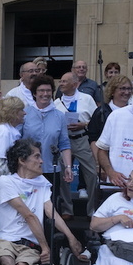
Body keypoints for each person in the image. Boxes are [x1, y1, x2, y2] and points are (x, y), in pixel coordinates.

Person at [20, 76, 72, 215]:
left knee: (50, 209)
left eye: (48, 90)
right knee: (29, 207)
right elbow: (17, 141)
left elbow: (64, 144)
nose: (45, 94)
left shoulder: (59, 116)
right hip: (27, 170)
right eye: (41, 90)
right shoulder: (25, 113)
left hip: (50, 169)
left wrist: (68, 167)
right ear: (35, 93)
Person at [55, 71, 99, 215]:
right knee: (63, 176)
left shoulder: (87, 99)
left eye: (64, 81)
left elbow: (95, 120)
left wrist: (83, 125)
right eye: (61, 81)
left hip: (81, 139)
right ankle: (67, 210)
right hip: (64, 141)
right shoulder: (56, 102)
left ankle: (91, 210)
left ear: (74, 84)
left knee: (92, 174)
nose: (61, 84)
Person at [87, 75, 132, 168]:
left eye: (129, 88)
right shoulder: (101, 112)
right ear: (112, 91)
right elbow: (94, 139)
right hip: (107, 161)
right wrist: (100, 164)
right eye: (122, 88)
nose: (127, 92)